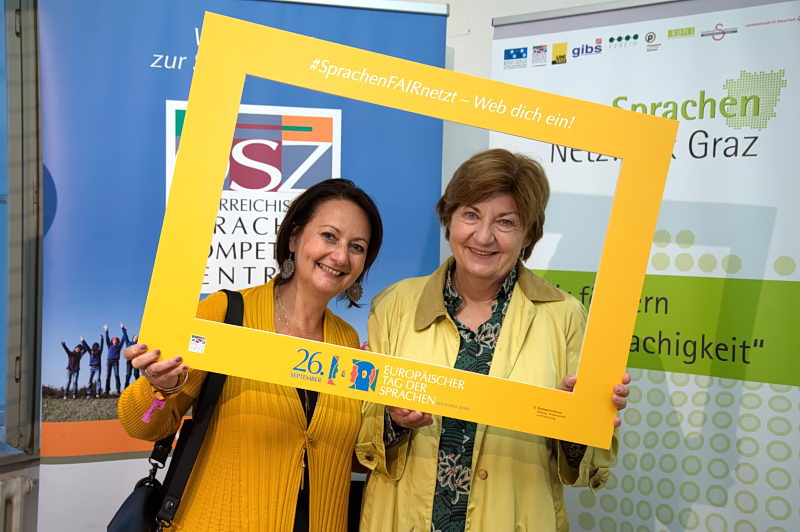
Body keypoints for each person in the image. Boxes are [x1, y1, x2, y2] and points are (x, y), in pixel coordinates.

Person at [357, 149, 630, 531]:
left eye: (505, 222)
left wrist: (580, 424)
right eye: (471, 215)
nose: (483, 236)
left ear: (528, 234)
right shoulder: (394, 305)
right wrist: (393, 420)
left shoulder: (564, 316)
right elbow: (363, 436)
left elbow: (587, 467)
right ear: (449, 218)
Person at [118, 179, 383, 531]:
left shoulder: (347, 340)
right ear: (294, 238)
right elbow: (141, 424)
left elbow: (345, 451)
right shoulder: (226, 313)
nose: (340, 256)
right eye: (329, 236)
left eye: (357, 247)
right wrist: (160, 389)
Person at [104, 323, 127, 395]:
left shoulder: (119, 346)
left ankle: (118, 390)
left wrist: (124, 331)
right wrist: (106, 330)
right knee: (108, 375)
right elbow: (107, 338)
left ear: (117, 341)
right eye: (114, 340)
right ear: (112, 341)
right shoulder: (109, 345)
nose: (115, 341)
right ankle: (107, 391)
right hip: (109, 361)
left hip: (116, 361)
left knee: (116, 375)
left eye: (116, 340)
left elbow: (123, 339)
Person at [81, 333, 104, 398]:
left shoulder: (99, 352)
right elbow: (86, 346)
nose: (96, 347)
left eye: (97, 346)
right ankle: (89, 393)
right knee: (90, 380)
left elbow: (102, 346)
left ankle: (98, 393)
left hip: (98, 367)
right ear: (93, 346)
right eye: (95, 346)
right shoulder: (90, 351)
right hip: (92, 368)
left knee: (98, 379)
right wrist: (82, 340)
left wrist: (102, 339)